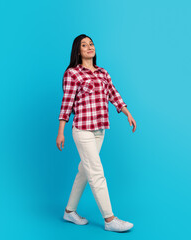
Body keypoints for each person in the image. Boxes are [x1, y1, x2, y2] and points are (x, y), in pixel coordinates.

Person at [56, 34, 136, 232]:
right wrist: (61, 132)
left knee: (84, 171)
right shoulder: (73, 74)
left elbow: (113, 94)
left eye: (91, 43)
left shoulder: (102, 73)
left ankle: (69, 211)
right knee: (96, 172)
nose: (89, 47)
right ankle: (110, 220)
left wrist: (127, 113)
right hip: (82, 130)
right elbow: (67, 103)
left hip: (100, 130)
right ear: (78, 51)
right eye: (84, 45)